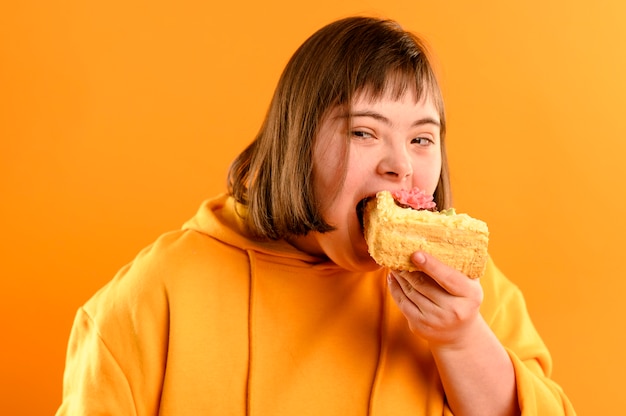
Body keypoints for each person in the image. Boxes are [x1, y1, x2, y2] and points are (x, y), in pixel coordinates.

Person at [56, 16, 576, 415]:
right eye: (363, 132)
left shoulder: (469, 294)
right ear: (296, 144)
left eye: (421, 139)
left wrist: (462, 343)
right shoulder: (155, 296)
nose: (400, 165)